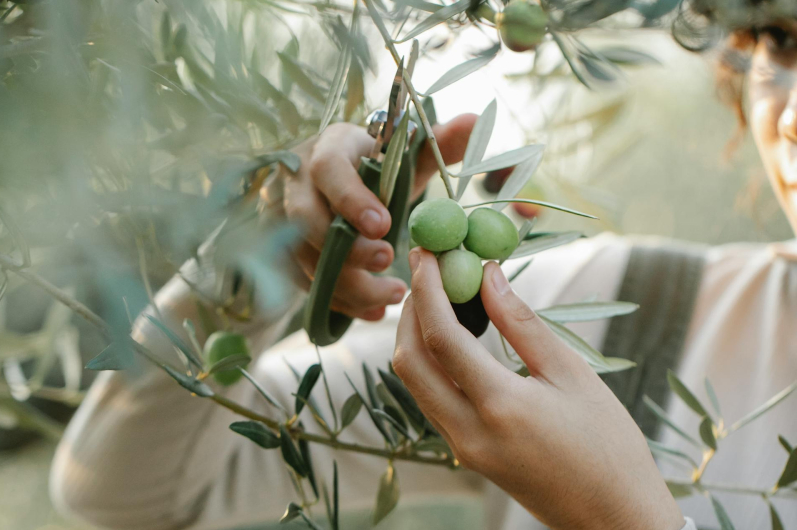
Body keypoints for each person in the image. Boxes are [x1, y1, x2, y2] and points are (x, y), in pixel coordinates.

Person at [49, 7, 797, 530]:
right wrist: (262, 263)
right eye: (783, 41)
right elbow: (123, 495)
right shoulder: (604, 309)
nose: (791, 113)